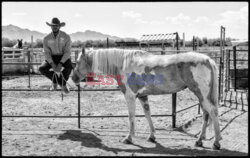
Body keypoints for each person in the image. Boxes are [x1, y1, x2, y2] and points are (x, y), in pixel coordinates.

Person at [39, 17, 73, 94]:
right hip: (52, 57)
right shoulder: (46, 38)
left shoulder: (66, 36)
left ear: (59, 26)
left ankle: (60, 83)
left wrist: (60, 63)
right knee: (42, 68)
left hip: (63, 56)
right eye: (53, 25)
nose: (54, 27)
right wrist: (52, 63)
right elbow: (46, 52)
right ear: (50, 26)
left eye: (56, 25)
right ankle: (58, 82)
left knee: (69, 66)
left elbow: (67, 52)